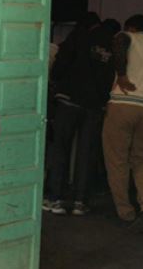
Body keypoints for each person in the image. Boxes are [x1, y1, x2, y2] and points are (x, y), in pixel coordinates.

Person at [44, 12, 116, 216]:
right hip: (94, 106)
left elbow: (59, 67)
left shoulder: (77, 37)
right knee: (86, 153)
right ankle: (79, 201)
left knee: (60, 149)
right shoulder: (111, 44)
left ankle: (55, 198)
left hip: (69, 101)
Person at [102, 14, 143, 232]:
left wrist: (121, 74)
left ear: (131, 27)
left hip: (123, 103)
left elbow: (119, 43)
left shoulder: (125, 36)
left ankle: (125, 212)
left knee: (117, 159)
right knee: (142, 159)